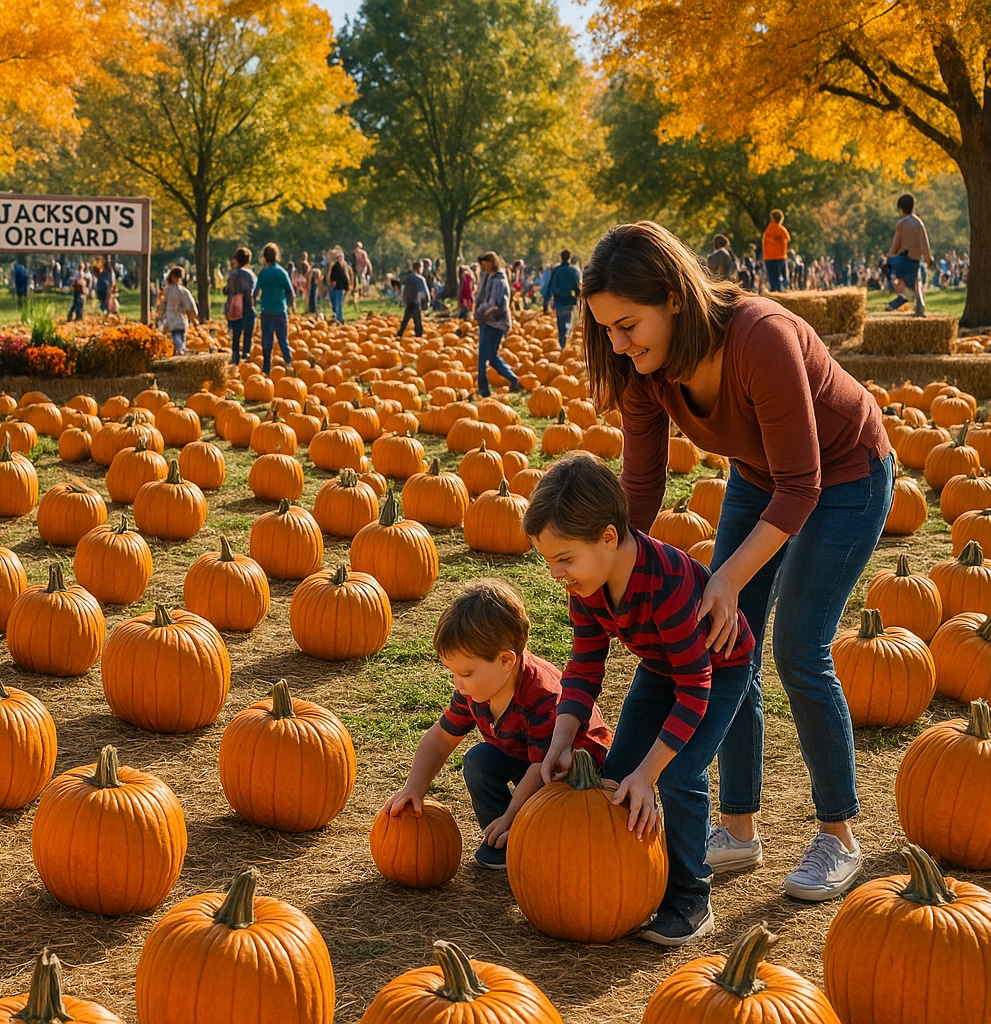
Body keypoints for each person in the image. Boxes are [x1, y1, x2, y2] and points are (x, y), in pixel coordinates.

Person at [581, 221, 893, 904]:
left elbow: (803, 485)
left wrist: (726, 578)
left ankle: (838, 835)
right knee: (728, 647)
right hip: (761, 474)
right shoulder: (645, 373)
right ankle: (739, 828)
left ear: (671, 297)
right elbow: (640, 487)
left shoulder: (761, 336)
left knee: (798, 646)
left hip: (846, 475)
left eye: (628, 325)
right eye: (607, 330)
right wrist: (611, 570)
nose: (619, 343)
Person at [529, 453, 755, 946]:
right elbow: (585, 665)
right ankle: (632, 883)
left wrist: (651, 773)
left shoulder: (669, 583)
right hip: (661, 667)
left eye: (564, 559)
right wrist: (561, 739)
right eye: (549, 561)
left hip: (719, 669)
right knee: (618, 772)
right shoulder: (586, 585)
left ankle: (691, 896)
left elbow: (695, 689)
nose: (556, 574)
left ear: (608, 538)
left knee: (678, 772)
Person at [382, 580, 612, 870]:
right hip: (526, 757)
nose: (458, 684)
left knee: (559, 832)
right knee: (479, 761)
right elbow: (440, 739)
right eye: (453, 673)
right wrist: (413, 788)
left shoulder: (543, 697)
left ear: (506, 661)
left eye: (465, 673)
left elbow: (542, 770)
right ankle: (503, 840)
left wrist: (513, 815)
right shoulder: (475, 692)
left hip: (572, 771)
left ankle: (521, 832)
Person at [472, 252, 521, 397]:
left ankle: (483, 390)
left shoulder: (499, 280)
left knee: (483, 356)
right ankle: (513, 379)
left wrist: (480, 311)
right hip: (486, 321)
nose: (483, 266)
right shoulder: (487, 277)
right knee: (491, 357)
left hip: (496, 322)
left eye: (485, 263)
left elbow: (496, 304)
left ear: (491, 262)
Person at [885, 193, 932, 317]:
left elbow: (896, 244)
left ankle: (904, 296)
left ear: (900, 209)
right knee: (917, 281)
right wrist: (928, 258)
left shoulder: (901, 224)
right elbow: (925, 243)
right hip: (915, 260)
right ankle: (919, 307)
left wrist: (889, 256)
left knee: (890, 269)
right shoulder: (919, 223)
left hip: (903, 260)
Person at [253, 243, 295, 373]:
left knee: (266, 342)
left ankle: (266, 369)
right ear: (277, 256)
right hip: (280, 312)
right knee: (283, 340)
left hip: (266, 312)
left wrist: (254, 305)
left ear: (264, 258)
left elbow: (254, 293)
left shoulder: (263, 273)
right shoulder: (282, 272)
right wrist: (289, 306)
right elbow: (291, 292)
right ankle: (289, 364)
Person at [542, 249, 582, 354]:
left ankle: (562, 346)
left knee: (561, 325)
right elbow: (577, 287)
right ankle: (565, 346)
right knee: (568, 324)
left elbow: (549, 287)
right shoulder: (574, 271)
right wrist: (579, 298)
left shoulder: (556, 271)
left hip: (558, 302)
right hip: (569, 301)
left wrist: (545, 304)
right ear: (570, 257)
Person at [225, 248, 257, 365]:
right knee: (248, 334)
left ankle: (235, 358)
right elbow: (252, 292)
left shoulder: (233, 275)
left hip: (234, 307)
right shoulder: (250, 275)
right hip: (247, 306)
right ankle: (246, 355)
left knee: (236, 334)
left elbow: (227, 290)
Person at [156, 266, 199, 353]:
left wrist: (159, 317)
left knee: (177, 345)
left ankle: (180, 353)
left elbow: (163, 306)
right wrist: (194, 318)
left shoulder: (168, 291)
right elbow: (191, 306)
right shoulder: (183, 291)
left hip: (171, 321)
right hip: (181, 321)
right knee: (182, 342)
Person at [396, 261, 430, 338]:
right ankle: (419, 335)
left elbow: (403, 290)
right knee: (417, 320)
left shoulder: (406, 279)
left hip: (409, 302)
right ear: (419, 268)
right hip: (416, 302)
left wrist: (401, 300)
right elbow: (424, 291)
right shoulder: (420, 279)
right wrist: (427, 301)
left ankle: (400, 333)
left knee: (406, 319)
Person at [761, 211, 790, 292]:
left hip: (770, 258)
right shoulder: (782, 229)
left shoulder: (769, 229)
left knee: (772, 277)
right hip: (780, 257)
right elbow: (787, 239)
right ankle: (780, 290)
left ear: (772, 218)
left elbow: (764, 242)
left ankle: (774, 291)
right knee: (779, 276)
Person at [326, 253, 351, 323]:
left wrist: (346, 286)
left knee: (338, 302)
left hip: (338, 287)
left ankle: (339, 318)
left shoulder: (340, 267)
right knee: (337, 302)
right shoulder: (336, 266)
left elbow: (344, 278)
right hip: (336, 287)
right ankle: (337, 316)